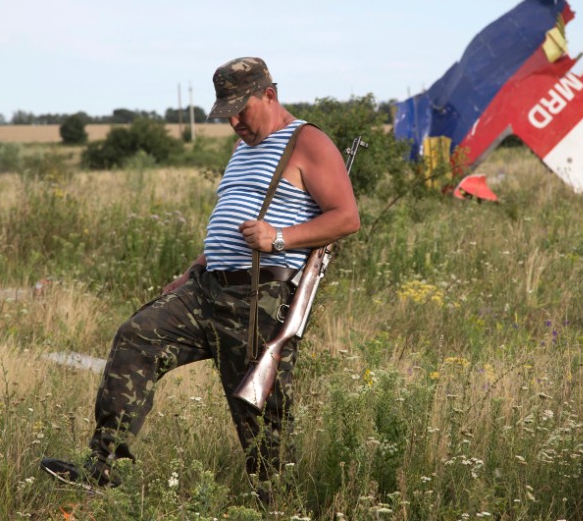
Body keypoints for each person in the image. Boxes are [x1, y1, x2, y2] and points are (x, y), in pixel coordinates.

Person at [40, 56, 360, 501]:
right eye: (226, 112)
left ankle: (274, 502)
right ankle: (103, 466)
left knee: (258, 414)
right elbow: (228, 220)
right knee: (137, 338)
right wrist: (196, 266)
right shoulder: (243, 148)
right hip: (206, 289)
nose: (233, 122)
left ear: (269, 95)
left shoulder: (307, 142)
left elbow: (346, 217)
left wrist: (280, 237)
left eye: (240, 109)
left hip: (260, 299)